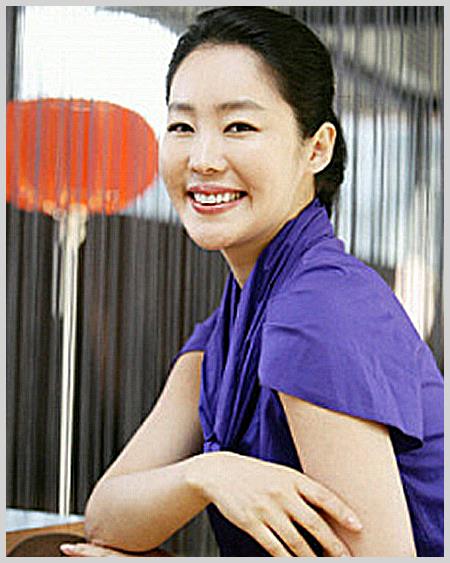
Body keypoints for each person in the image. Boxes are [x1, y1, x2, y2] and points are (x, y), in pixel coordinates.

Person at [61, 7, 443, 557]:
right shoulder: (237, 319)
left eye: (239, 126)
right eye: (182, 126)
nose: (203, 159)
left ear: (317, 148)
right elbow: (106, 516)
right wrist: (209, 473)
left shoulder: (317, 310)